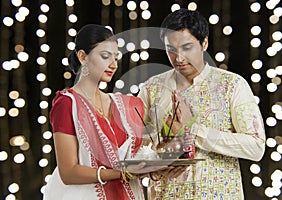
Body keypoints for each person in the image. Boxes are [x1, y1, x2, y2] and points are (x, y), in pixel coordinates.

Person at [138, 8, 266, 199]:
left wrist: (194, 130)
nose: (179, 58)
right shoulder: (151, 89)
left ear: (204, 43)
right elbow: (135, 147)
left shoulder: (231, 85)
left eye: (187, 48)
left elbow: (256, 147)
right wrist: (155, 164)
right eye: (171, 50)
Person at [43, 24, 147, 200]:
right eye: (105, 56)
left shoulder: (122, 105)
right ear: (82, 56)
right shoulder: (67, 104)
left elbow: (142, 151)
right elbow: (68, 172)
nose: (113, 65)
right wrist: (122, 173)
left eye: (115, 58)